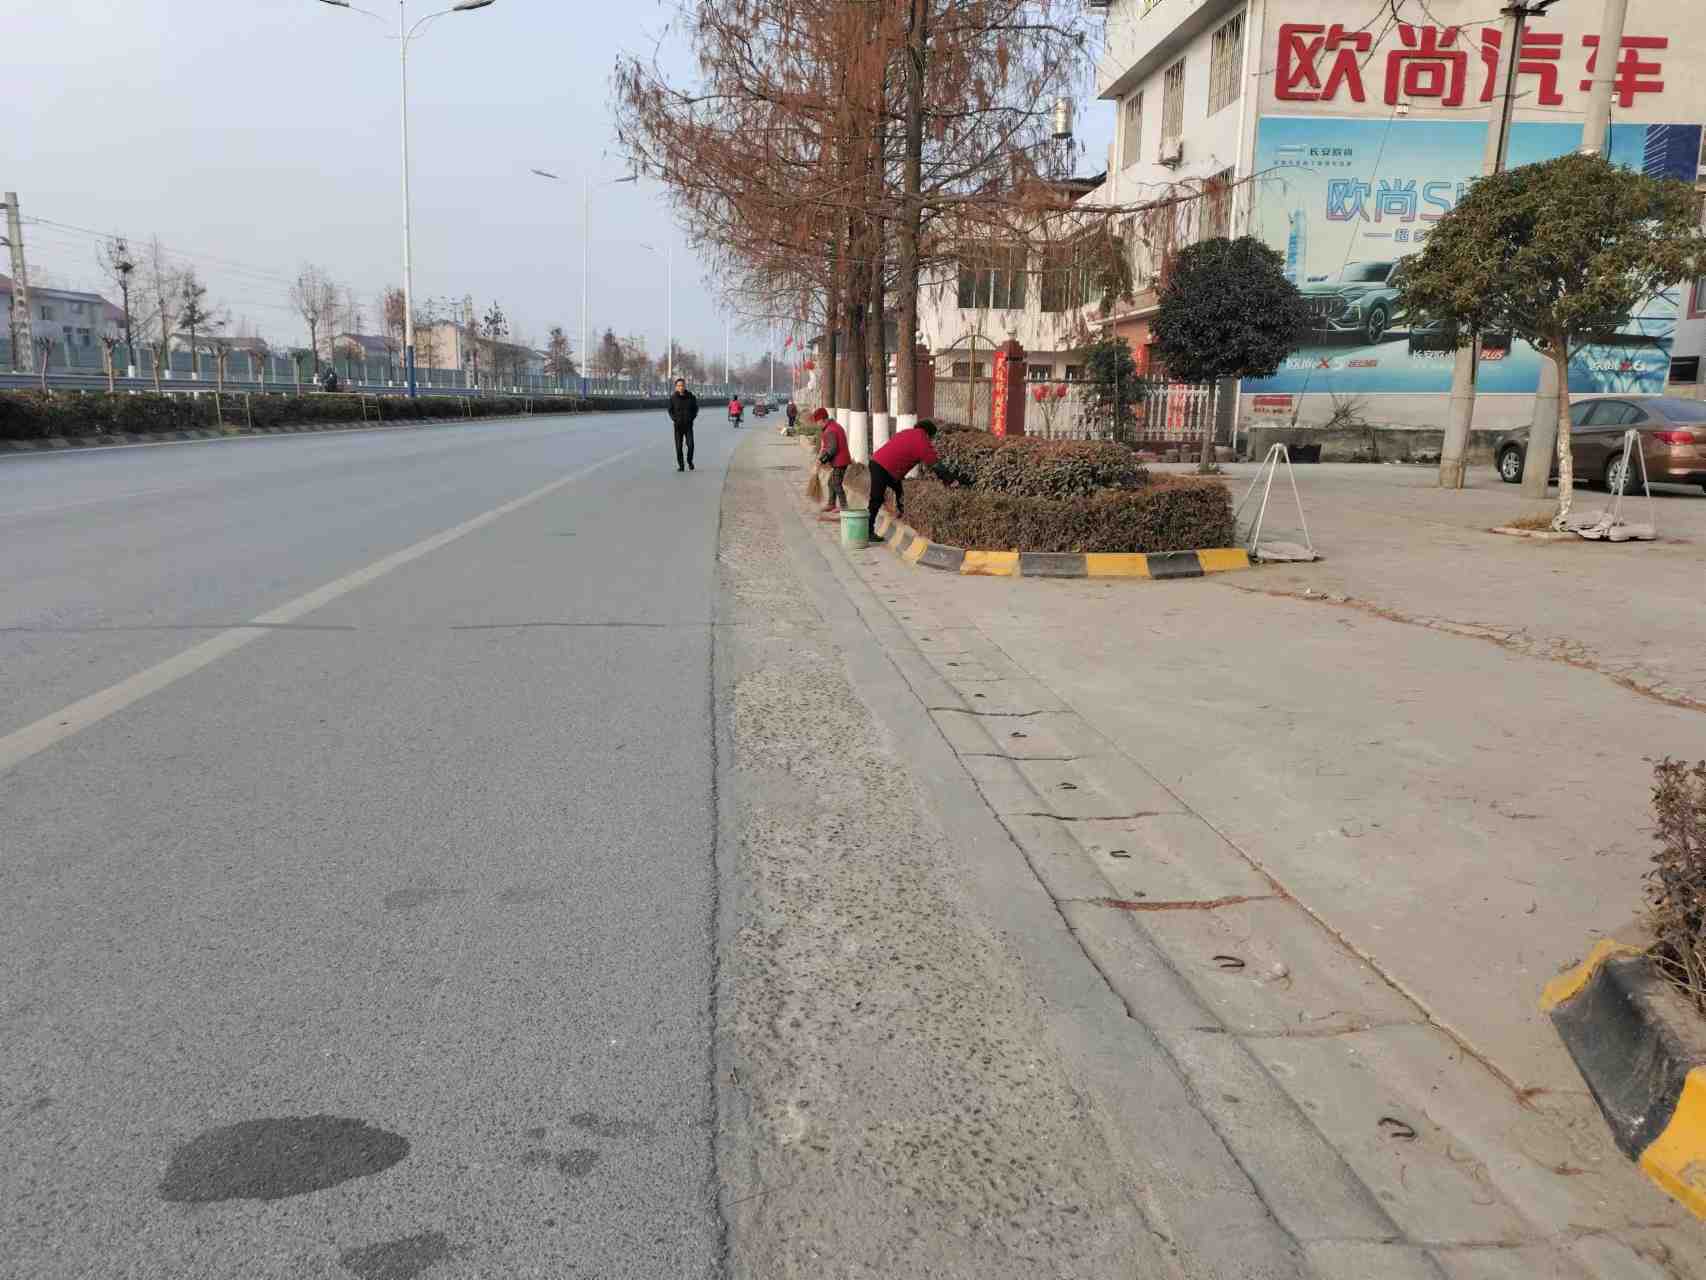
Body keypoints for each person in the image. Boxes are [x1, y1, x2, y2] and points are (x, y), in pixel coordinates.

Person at [866, 419, 940, 542]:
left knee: (899, 490)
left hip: (879, 463)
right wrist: (948, 478)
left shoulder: (907, 432)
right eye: (931, 437)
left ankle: (902, 514)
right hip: (883, 467)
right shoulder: (921, 438)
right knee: (876, 498)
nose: (931, 440)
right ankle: (867, 531)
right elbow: (932, 460)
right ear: (928, 433)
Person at [815, 407, 850, 512]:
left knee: (836, 483)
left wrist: (821, 460)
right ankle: (831, 504)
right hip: (840, 460)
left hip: (840, 461)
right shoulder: (833, 426)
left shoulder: (830, 430)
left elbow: (832, 449)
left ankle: (844, 506)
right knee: (831, 482)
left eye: (818, 422)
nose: (817, 425)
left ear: (823, 419)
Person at [668, 377, 699, 472]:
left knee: (691, 445)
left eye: (682, 385)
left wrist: (691, 418)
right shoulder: (673, 398)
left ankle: (689, 461)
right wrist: (674, 419)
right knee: (678, 447)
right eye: (678, 386)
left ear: (685, 386)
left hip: (688, 426)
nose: (680, 387)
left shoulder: (691, 397)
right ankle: (681, 465)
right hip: (678, 427)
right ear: (676, 387)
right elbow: (670, 410)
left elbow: (695, 409)